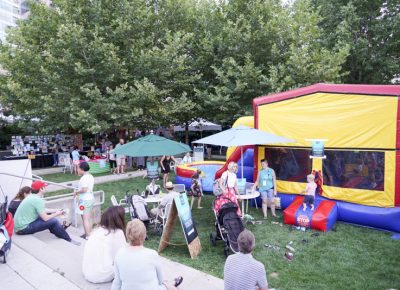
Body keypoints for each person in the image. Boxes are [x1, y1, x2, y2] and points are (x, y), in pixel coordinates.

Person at [112, 219, 182, 290]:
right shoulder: (152, 254)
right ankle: (172, 284)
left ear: (127, 235)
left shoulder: (119, 253)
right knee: (165, 284)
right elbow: (160, 280)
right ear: (144, 236)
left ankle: (171, 284)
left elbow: (117, 282)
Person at [14, 181, 80, 245]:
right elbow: (45, 218)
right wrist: (57, 213)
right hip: (22, 229)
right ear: (41, 189)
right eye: (44, 187)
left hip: (19, 227)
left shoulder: (32, 197)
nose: (45, 188)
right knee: (53, 221)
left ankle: (59, 231)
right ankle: (68, 239)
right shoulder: (37, 200)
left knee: (51, 220)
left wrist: (58, 210)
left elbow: (43, 210)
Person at [82, 206, 127, 283]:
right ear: (118, 219)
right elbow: (121, 256)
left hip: (87, 272)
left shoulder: (97, 230)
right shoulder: (118, 232)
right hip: (102, 275)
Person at [74, 162, 95, 239]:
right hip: (90, 198)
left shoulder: (84, 178)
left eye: (78, 168)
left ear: (82, 169)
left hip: (85, 200)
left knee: (85, 218)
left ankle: (88, 236)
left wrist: (76, 192)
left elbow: (84, 189)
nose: (77, 169)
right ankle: (89, 233)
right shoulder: (90, 176)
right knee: (88, 218)